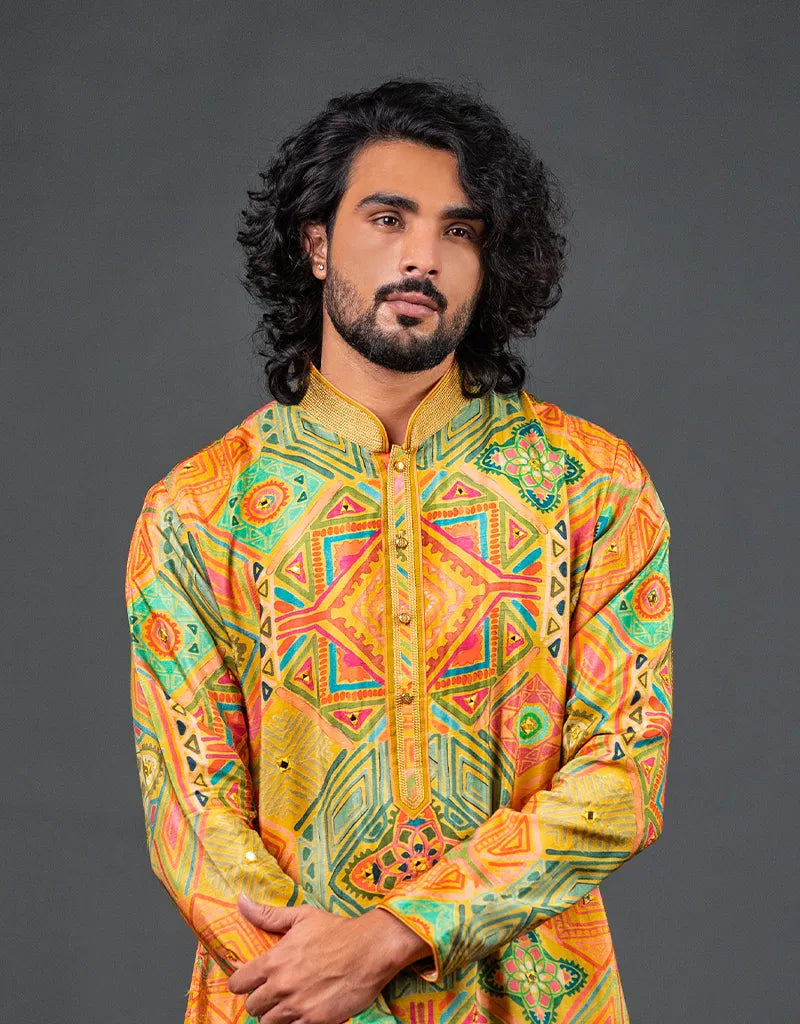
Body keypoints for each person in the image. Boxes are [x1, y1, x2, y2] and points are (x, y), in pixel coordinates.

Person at [125, 78, 673, 1024]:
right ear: (315, 240)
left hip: (535, 1001)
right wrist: (319, 977)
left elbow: (620, 780)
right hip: (288, 1001)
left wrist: (393, 938)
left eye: (460, 231)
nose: (423, 255)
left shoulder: (590, 483)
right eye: (389, 218)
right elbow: (193, 812)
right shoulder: (200, 510)